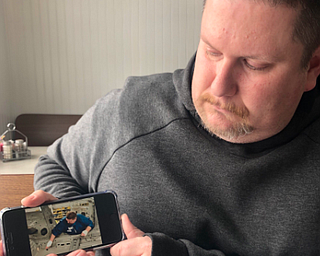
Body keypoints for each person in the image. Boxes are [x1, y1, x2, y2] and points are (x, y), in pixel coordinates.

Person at [1, 0, 320, 255]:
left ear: (312, 67)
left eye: (254, 64)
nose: (219, 86)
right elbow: (57, 165)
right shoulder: (129, 110)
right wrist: (76, 235)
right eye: (211, 50)